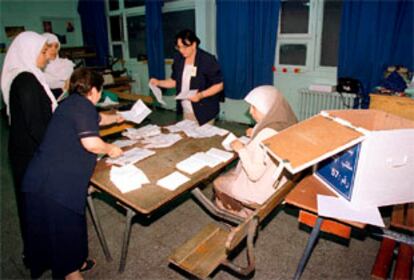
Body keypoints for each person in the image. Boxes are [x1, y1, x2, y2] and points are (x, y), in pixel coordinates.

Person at [21, 68, 124, 279]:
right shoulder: (84, 106)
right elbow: (92, 143)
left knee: (61, 233)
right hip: (55, 187)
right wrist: (111, 149)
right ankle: (71, 269)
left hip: (40, 179)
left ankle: (75, 261)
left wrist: (116, 118)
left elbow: (97, 118)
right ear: (94, 90)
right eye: (100, 91)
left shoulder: (69, 104)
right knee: (65, 237)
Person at [1, 31, 58, 261]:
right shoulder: (25, 81)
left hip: (28, 151)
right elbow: (37, 127)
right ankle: (43, 256)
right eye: (43, 52)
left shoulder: (26, 76)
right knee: (36, 207)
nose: (46, 57)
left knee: (35, 206)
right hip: (31, 156)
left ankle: (42, 253)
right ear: (28, 52)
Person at [213, 85, 298, 218]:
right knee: (231, 174)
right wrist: (255, 132)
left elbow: (254, 174)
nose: (250, 112)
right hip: (277, 181)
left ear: (267, 110)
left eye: (254, 108)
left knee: (218, 182)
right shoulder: (285, 122)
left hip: (261, 189)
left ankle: (239, 215)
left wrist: (241, 149)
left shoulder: (265, 135)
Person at [149, 29, 224, 125]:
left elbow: (219, 85)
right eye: (179, 47)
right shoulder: (178, 58)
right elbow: (175, 81)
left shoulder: (207, 60)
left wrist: (200, 95)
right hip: (187, 109)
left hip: (205, 110)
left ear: (194, 44)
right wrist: (158, 82)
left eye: (184, 47)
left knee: (203, 139)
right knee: (188, 137)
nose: (181, 50)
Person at [42, 32, 75, 100]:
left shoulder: (66, 64)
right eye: (50, 46)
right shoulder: (39, 69)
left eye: (56, 46)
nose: (54, 49)